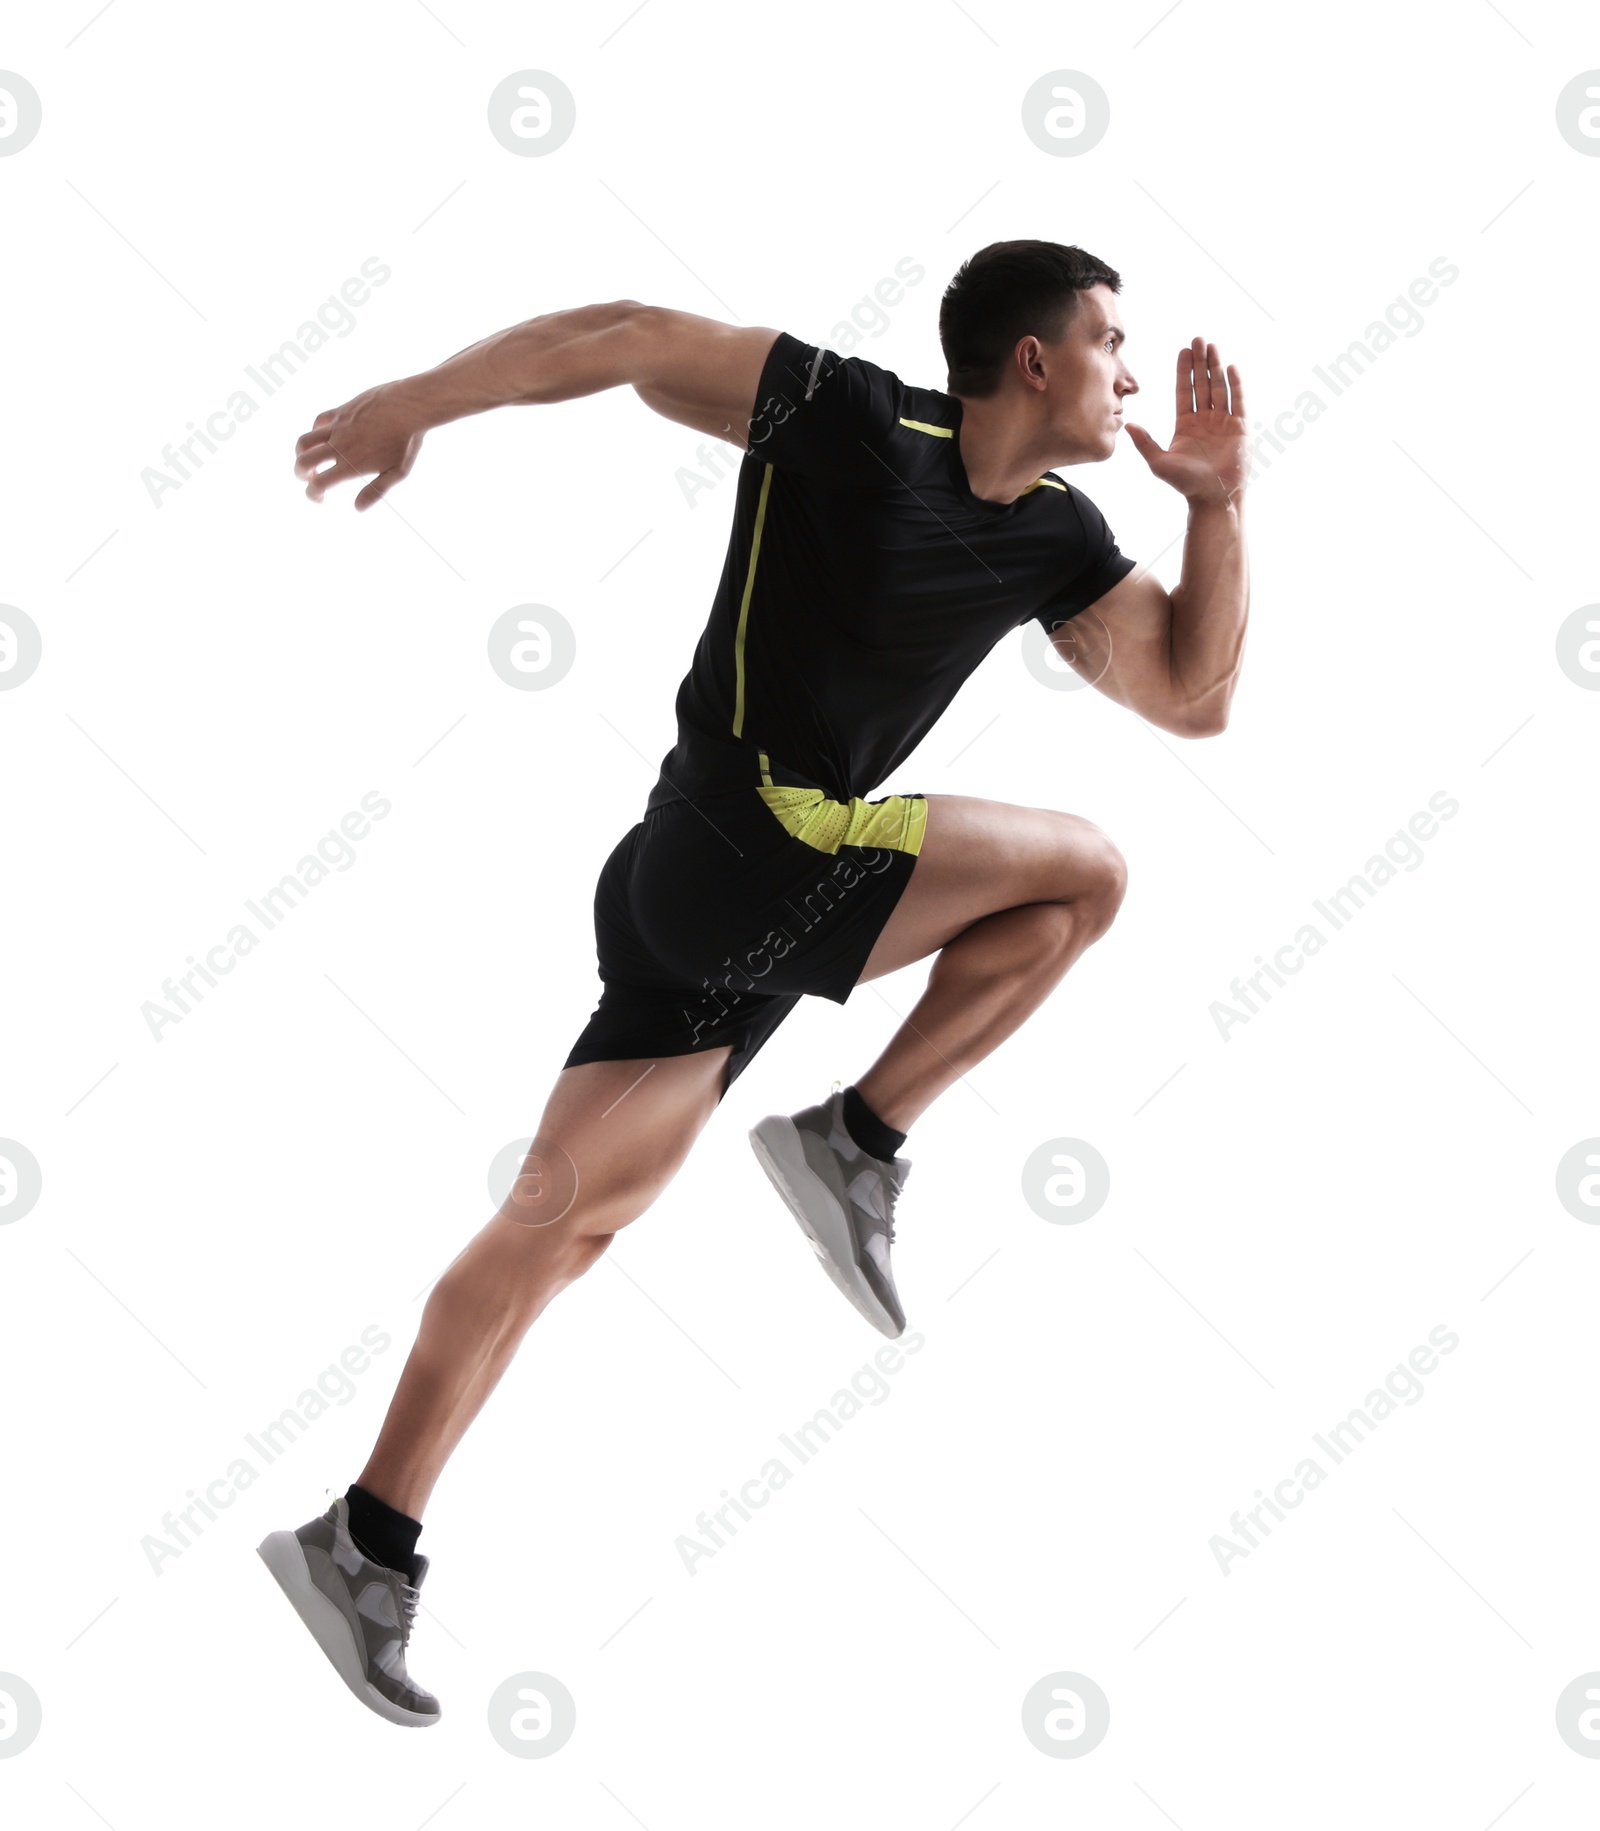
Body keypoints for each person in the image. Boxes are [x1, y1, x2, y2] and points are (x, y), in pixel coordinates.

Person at [255, 240, 1250, 1726]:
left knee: (559, 1225)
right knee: (1088, 874)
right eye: (1112, 341)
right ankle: (856, 1138)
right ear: (1031, 360)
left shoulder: (1055, 537)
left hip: (735, 908)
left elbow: (1196, 695)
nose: (1132, 371)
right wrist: (412, 399)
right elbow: (626, 329)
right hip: (743, 848)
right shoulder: (848, 419)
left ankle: (364, 1540)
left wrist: (1220, 509)